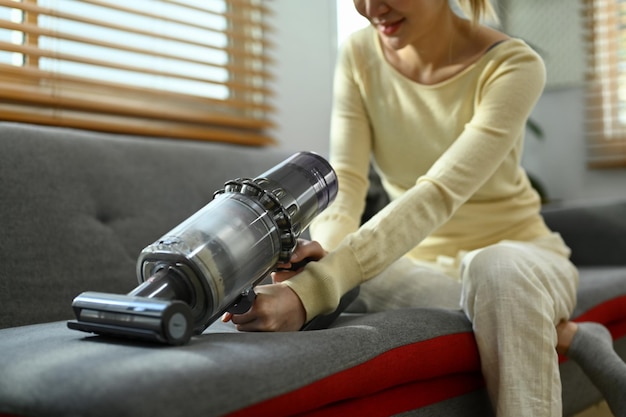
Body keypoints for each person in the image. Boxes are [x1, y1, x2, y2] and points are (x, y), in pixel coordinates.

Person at [223, 1, 626, 415]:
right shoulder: (360, 54)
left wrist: (314, 291)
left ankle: (553, 327)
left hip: (520, 258)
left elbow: (440, 192)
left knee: (495, 269)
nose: (370, 8)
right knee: (360, 272)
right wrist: (321, 263)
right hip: (419, 265)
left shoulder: (514, 64)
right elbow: (347, 180)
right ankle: (572, 337)